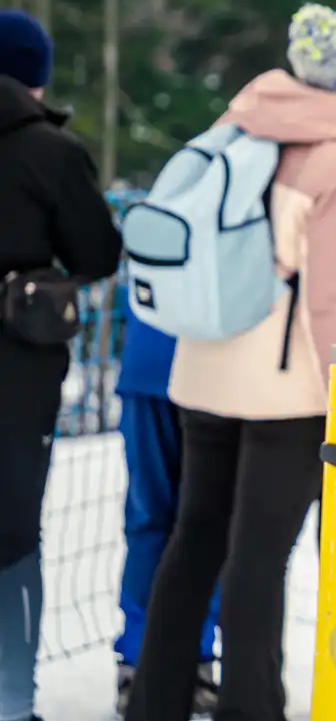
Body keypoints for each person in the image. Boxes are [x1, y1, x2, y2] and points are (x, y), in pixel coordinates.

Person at [126, 4, 336, 721]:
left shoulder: (234, 128)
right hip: (287, 394)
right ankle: (252, 709)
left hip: (204, 373)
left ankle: (155, 703)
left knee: (194, 542)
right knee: (258, 559)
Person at [0, 9, 123, 721]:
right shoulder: (49, 152)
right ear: (37, 75)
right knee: (13, 534)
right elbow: (98, 255)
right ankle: (13, 702)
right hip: (15, 377)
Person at [113, 289, 220, 716]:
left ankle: (139, 663)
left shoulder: (143, 217)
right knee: (204, 523)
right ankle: (193, 659)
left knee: (150, 520)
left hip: (150, 357)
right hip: (213, 368)